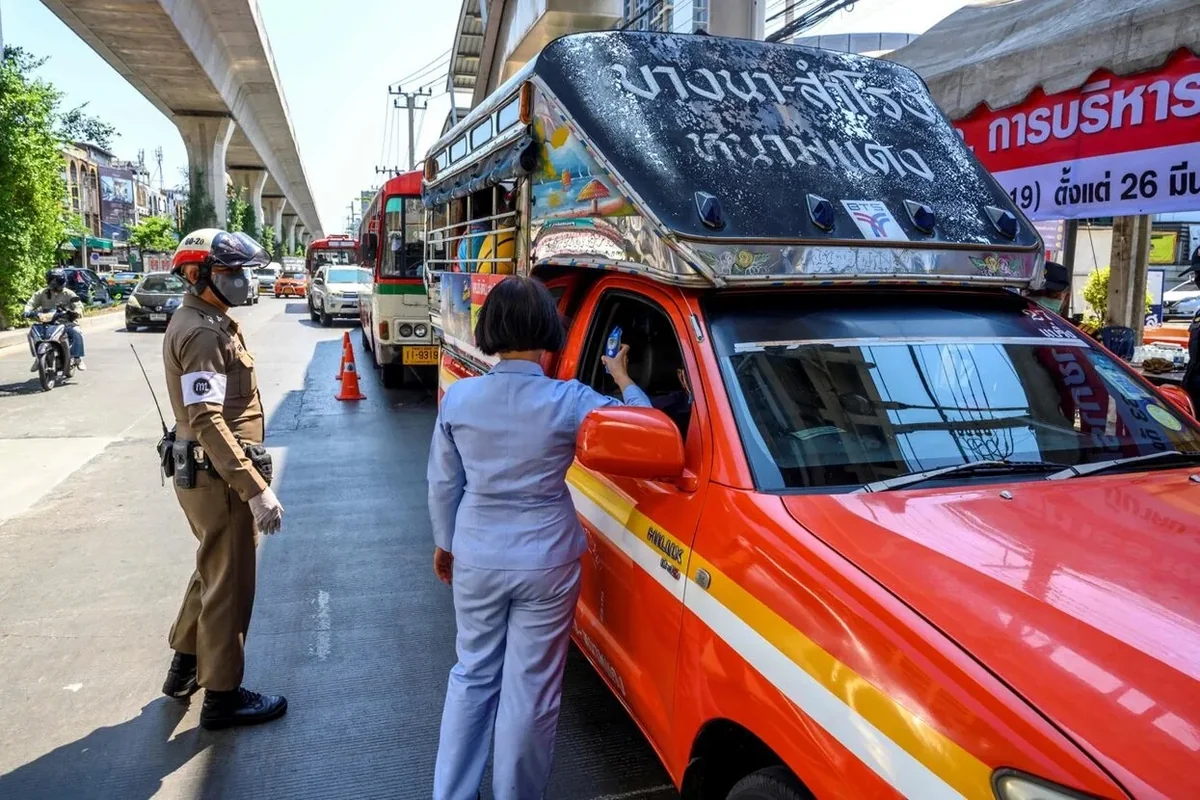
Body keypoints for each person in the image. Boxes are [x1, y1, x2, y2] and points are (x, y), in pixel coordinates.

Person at [428, 275, 651, 800]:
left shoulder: (460, 399)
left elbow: (443, 484)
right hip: (548, 558)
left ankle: (451, 794)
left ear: (491, 330)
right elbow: (644, 426)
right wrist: (623, 378)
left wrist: (446, 543)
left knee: (473, 674)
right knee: (531, 690)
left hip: (477, 553)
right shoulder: (571, 399)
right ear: (548, 330)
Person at [161, 228, 287, 730]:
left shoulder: (208, 319)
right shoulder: (205, 332)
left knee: (212, 569)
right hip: (221, 477)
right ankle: (223, 695)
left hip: (209, 471)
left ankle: (185, 666)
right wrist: (255, 489)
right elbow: (209, 419)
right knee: (229, 582)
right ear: (198, 275)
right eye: (230, 272)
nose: (240, 280)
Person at [24, 269, 86, 370]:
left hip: (66, 322)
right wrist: (27, 311)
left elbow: (79, 306)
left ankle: (77, 358)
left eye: (57, 281)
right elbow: (31, 303)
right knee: (31, 333)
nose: (55, 284)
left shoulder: (69, 293)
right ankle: (38, 358)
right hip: (47, 322)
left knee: (77, 332)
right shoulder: (42, 293)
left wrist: (76, 313)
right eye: (52, 280)